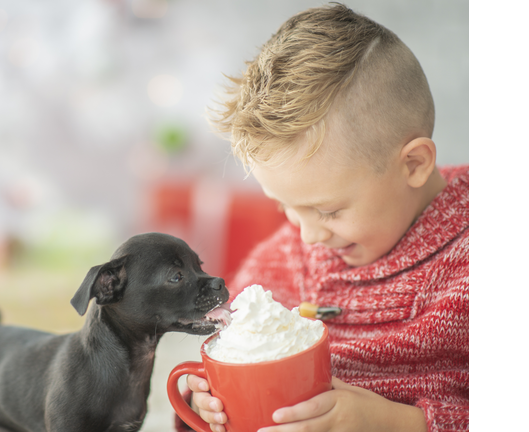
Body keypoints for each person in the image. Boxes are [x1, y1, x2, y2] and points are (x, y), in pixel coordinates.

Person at [176, 3, 468, 432]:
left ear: (413, 164)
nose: (308, 236)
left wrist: (400, 424)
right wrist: (207, 404)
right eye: (285, 207)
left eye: (328, 211)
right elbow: (226, 356)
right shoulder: (280, 264)